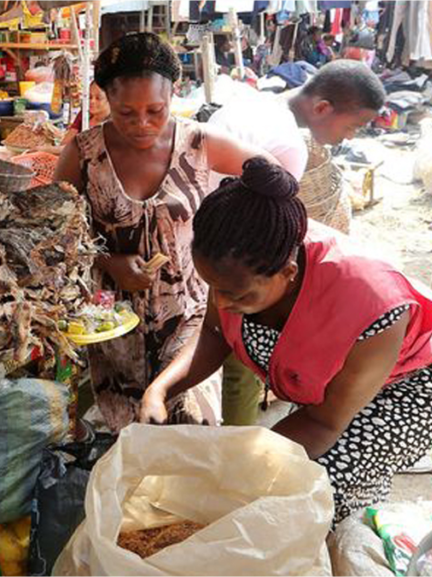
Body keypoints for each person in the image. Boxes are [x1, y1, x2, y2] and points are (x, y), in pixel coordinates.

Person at [139, 159, 432, 524]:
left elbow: (324, 424)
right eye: (213, 288)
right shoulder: (242, 261)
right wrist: (160, 390)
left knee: (320, 489)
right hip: (339, 384)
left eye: (235, 295)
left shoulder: (374, 306)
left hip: (418, 384)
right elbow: (214, 333)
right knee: (262, 486)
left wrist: (236, 465)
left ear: (288, 274)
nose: (220, 304)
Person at [53, 32, 277, 431]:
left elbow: (271, 175)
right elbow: (53, 230)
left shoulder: (199, 144)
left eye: (155, 110)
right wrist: (107, 260)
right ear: (104, 98)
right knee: (131, 432)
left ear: (174, 94)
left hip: (189, 317)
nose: (142, 124)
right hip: (114, 324)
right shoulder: (84, 154)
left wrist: (235, 235)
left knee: (191, 425)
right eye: (126, 113)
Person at [207, 59, 387, 426]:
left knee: (211, 338)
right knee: (239, 356)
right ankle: (236, 448)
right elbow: (262, 229)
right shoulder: (289, 146)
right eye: (352, 126)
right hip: (221, 252)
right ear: (322, 108)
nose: (349, 137)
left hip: (201, 242)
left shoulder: (252, 103)